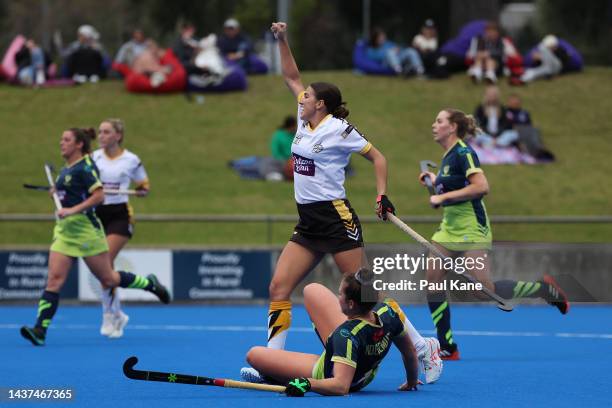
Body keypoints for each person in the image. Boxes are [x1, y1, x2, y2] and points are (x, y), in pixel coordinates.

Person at [258, 22, 395, 358]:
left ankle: (421, 346)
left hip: (336, 217)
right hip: (308, 221)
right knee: (278, 286)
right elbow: (291, 77)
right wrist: (282, 39)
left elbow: (378, 158)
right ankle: (273, 358)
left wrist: (381, 194)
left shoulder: (340, 130)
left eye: (307, 96)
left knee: (364, 294)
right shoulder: (304, 119)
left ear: (321, 104)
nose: (300, 97)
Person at [417, 109, 570, 360]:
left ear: (453, 127)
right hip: (449, 228)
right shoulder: (448, 157)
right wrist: (434, 181)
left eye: (440, 121)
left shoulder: (464, 153)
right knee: (433, 280)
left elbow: (481, 186)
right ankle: (447, 345)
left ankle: (543, 290)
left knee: (482, 290)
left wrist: (440, 195)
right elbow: (454, 188)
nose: (434, 125)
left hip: (472, 227)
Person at [20, 127, 170, 346]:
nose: (61, 143)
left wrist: (72, 210)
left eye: (66, 139)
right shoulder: (66, 169)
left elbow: (98, 196)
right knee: (54, 280)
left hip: (86, 230)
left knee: (108, 279)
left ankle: (150, 284)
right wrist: (58, 192)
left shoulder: (86, 166)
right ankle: (40, 329)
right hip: (64, 232)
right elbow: (72, 192)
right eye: (61, 139)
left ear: (79, 144)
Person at [243, 269, 441, 395]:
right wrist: (412, 381)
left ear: (351, 303)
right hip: (363, 365)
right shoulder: (387, 313)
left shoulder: (344, 335)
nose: (337, 297)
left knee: (254, 355)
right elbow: (409, 352)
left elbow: (340, 386)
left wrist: (307, 383)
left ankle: (271, 375)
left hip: (336, 374)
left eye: (340, 294)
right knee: (312, 290)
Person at [92, 119, 150, 338]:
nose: (101, 136)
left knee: (105, 262)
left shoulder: (131, 160)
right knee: (104, 270)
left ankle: (108, 314)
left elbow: (144, 184)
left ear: (118, 136)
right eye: (100, 132)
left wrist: (142, 190)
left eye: (106, 132)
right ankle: (117, 313)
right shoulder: (93, 158)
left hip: (119, 215)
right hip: (97, 214)